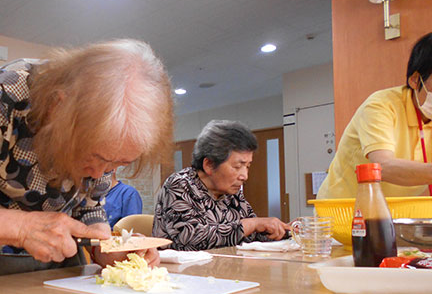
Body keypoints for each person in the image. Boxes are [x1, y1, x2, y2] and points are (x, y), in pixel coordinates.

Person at [0, 39, 173, 274]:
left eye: (118, 164)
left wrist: (114, 251)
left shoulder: (102, 160)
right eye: (95, 156)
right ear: (59, 107)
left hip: (61, 273)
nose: (98, 173)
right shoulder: (3, 96)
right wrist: (22, 229)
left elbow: (89, 208)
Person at [317, 32, 432, 199]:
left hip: (395, 210)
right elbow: (382, 166)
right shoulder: (381, 105)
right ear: (415, 80)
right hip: (345, 208)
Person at [152, 120, 290, 251]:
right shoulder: (180, 184)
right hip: (182, 273)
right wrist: (253, 224)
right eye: (237, 166)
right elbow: (190, 238)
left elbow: (253, 234)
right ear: (209, 165)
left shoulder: (231, 193)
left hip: (225, 269)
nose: (244, 176)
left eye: (247, 166)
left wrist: (286, 230)